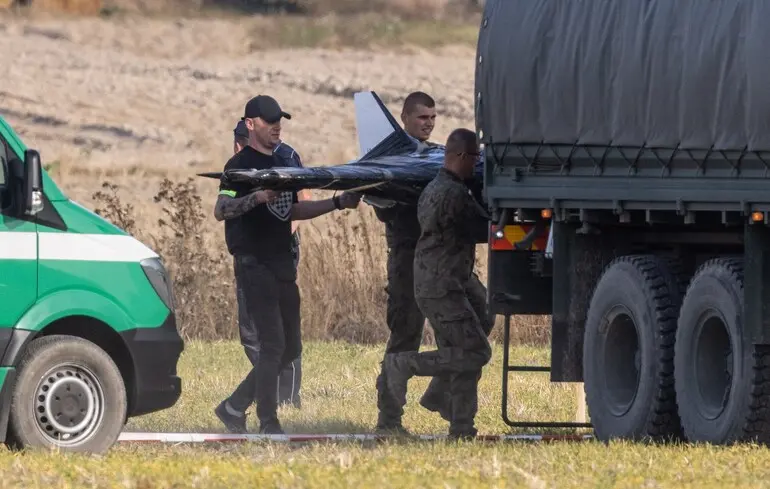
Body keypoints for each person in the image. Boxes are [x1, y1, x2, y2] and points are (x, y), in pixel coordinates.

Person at [214, 94, 362, 435]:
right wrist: (255, 197)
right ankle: (269, 420)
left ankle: (233, 406)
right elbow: (222, 209)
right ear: (251, 125)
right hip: (254, 264)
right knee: (272, 344)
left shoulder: (284, 162)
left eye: (279, 120)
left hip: (282, 262)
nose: (277, 127)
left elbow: (292, 211)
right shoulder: (239, 168)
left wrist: (338, 202)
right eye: (269, 122)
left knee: (290, 346)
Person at [382, 128, 493, 440]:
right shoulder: (452, 194)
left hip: (450, 279)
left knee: (480, 321)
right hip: (441, 284)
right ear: (459, 156)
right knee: (475, 351)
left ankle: (457, 422)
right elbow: (482, 229)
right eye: (474, 158)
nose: (476, 164)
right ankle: (405, 364)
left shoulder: (438, 186)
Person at [371, 91, 448, 434]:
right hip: (406, 258)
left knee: (470, 325)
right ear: (404, 118)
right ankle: (389, 419)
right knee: (406, 335)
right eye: (422, 117)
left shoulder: (436, 156)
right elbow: (376, 201)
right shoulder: (393, 160)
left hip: (440, 257)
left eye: (432, 117)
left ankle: (440, 394)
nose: (428, 123)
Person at [231, 120, 307, 410]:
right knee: (252, 333)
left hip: (278, 255)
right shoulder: (238, 166)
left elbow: (301, 201)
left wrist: (277, 235)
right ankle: (262, 394)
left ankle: (286, 398)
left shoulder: (286, 158)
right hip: (249, 256)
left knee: (284, 335)